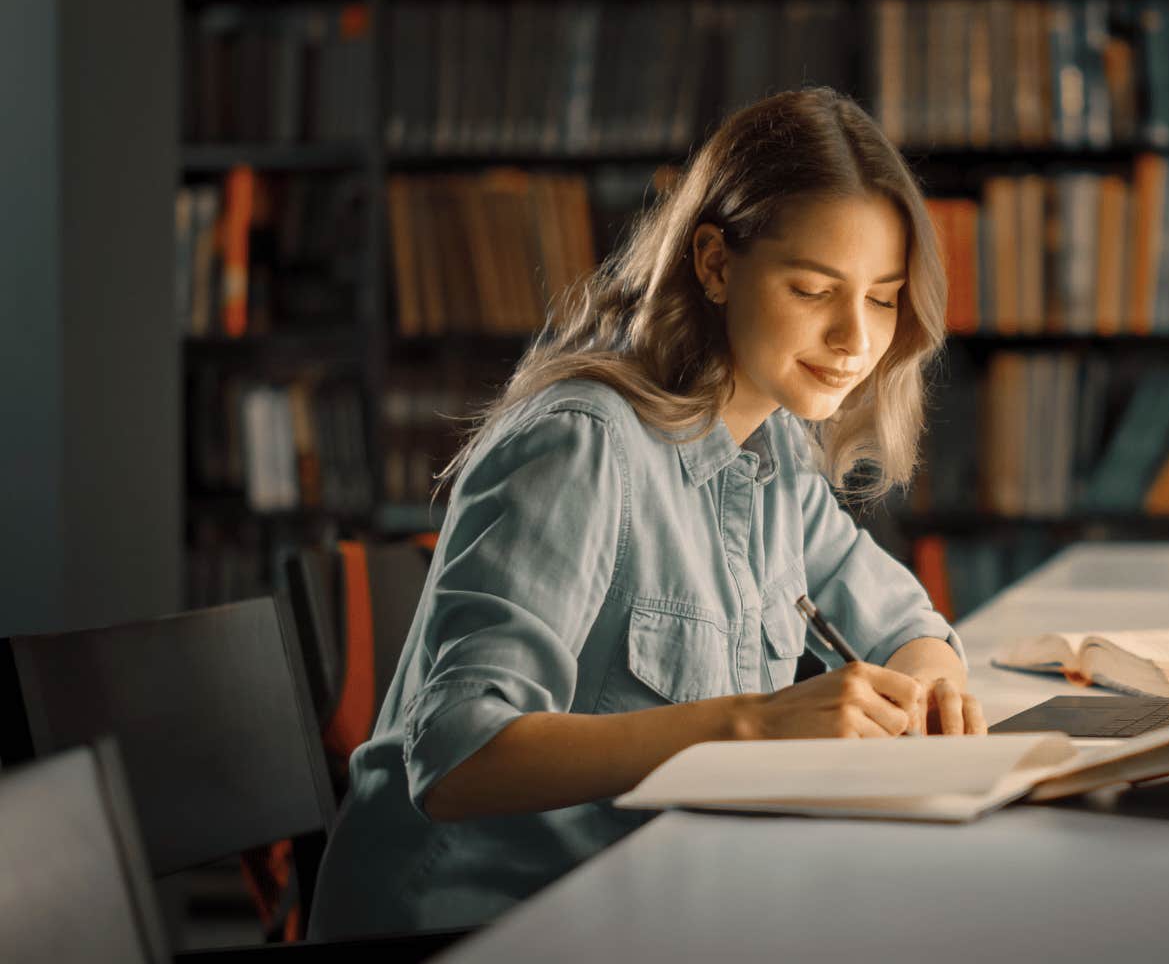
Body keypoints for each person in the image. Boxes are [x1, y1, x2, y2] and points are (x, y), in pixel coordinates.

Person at [307, 88, 983, 939]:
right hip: (471, 927)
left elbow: (902, 623)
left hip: (647, 903)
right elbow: (457, 757)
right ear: (714, 263)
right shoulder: (579, 447)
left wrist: (932, 689)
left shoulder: (772, 455)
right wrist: (752, 728)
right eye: (814, 289)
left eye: (883, 297)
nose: (856, 337)